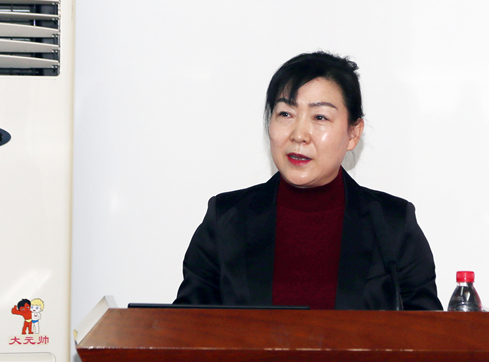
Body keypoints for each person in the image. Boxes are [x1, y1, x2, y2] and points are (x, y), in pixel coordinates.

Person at [174, 52, 441, 310]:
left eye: (320, 117)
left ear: (353, 133)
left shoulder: (392, 225)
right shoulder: (226, 220)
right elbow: (185, 328)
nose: (299, 134)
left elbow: (429, 332)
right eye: (285, 114)